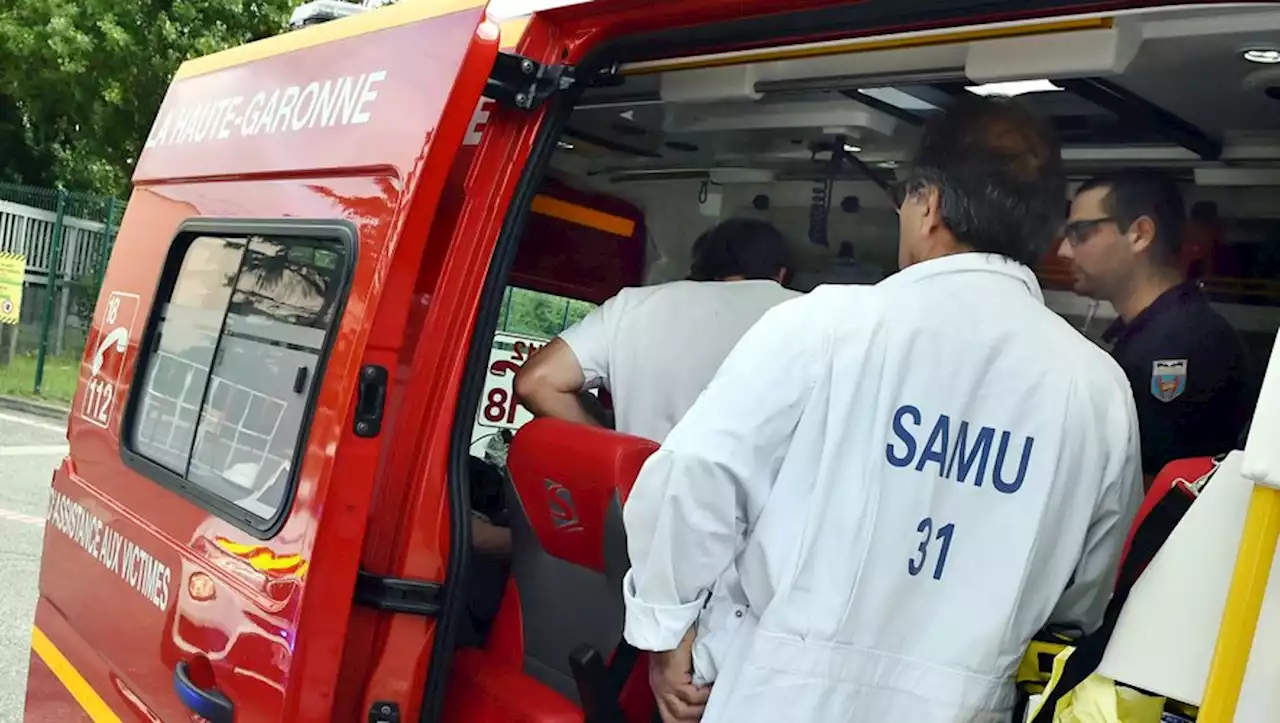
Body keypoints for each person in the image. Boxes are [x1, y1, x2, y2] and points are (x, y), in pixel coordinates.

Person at [621, 96, 1143, 723]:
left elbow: (695, 477)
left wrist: (663, 627)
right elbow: (1086, 595)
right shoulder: (1099, 390)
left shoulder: (827, 325)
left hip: (782, 698)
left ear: (929, 206)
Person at [514, 217, 799, 443]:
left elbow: (536, 381)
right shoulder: (814, 315)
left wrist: (613, 451)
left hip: (642, 504)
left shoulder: (631, 306)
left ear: (705, 264)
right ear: (781, 273)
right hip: (764, 515)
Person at [1057, 169, 1253, 485]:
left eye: (1080, 232)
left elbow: (1154, 488)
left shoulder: (1179, 344)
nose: (1063, 250)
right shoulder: (1160, 332)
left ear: (1140, 234)